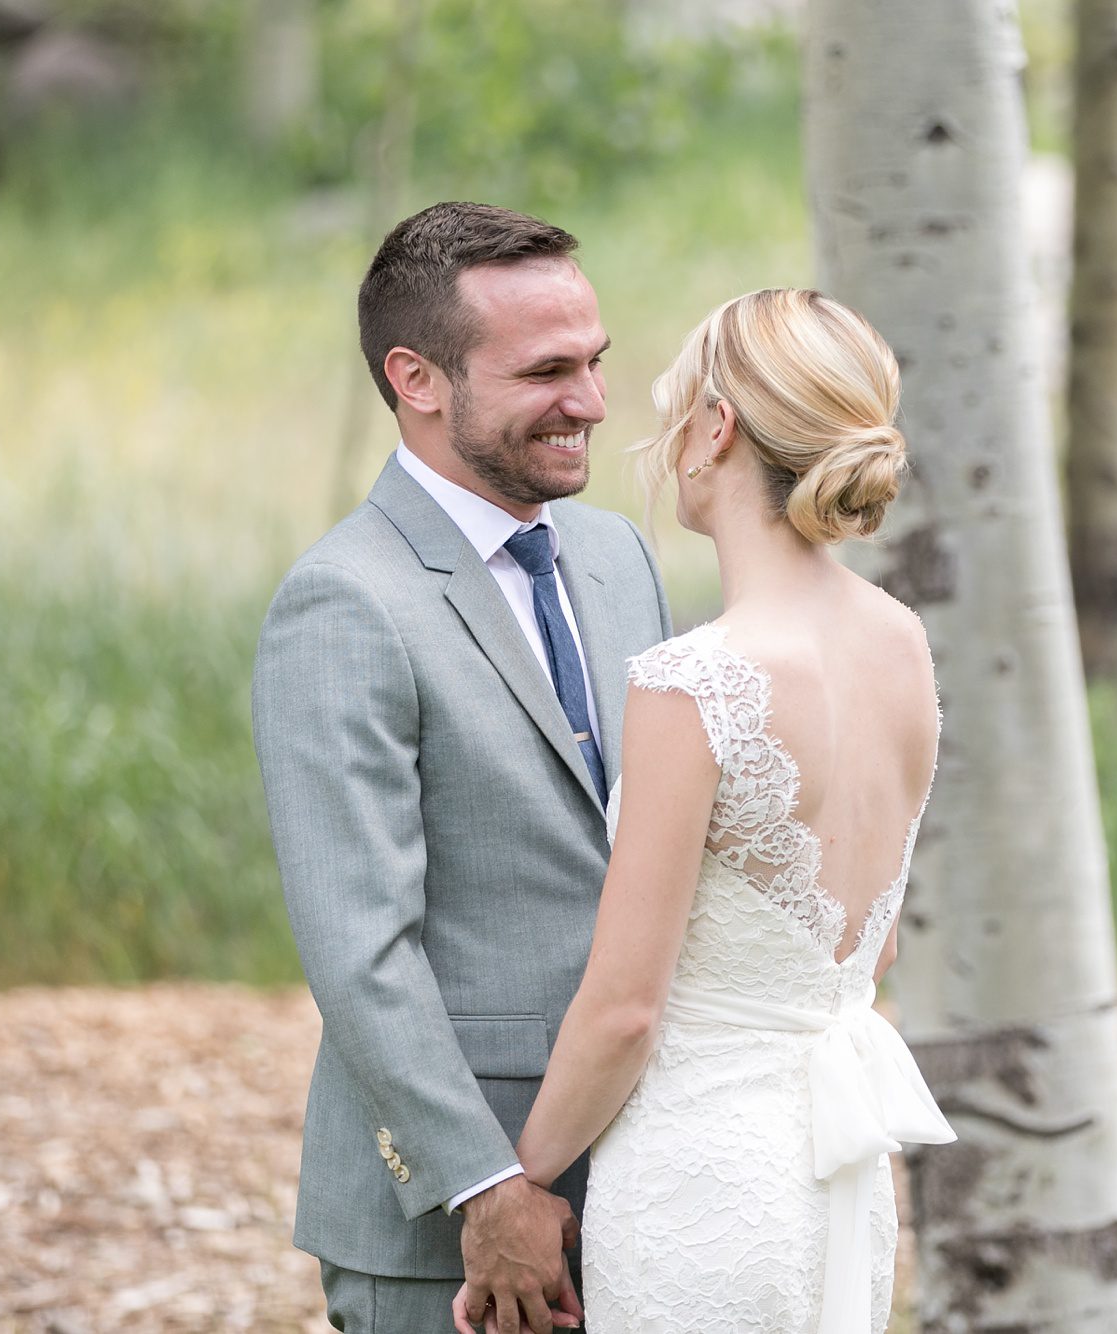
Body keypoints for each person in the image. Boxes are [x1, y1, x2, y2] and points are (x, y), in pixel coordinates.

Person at [453, 288, 957, 1334]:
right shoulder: (901, 640)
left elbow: (625, 1006)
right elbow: (869, 945)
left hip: (703, 1181)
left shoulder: (695, 680)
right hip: (839, 1181)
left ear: (715, 429)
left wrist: (520, 1189)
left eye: (678, 407)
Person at [251, 201, 673, 1334]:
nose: (587, 399)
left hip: (650, 1184)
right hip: (447, 1224)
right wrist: (484, 1187)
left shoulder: (615, 553)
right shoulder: (342, 602)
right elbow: (359, 946)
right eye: (544, 370)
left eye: (592, 362)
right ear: (418, 378)